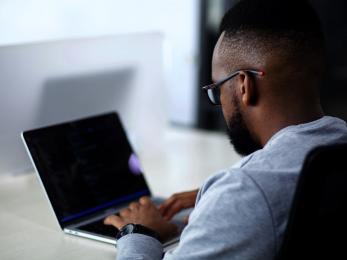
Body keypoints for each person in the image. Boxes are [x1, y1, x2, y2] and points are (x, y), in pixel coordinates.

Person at [104, 0, 347, 259]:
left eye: (217, 89)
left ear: (243, 85)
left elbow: (252, 197)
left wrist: (138, 232)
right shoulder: (338, 141)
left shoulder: (246, 191)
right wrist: (214, 204)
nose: (219, 101)